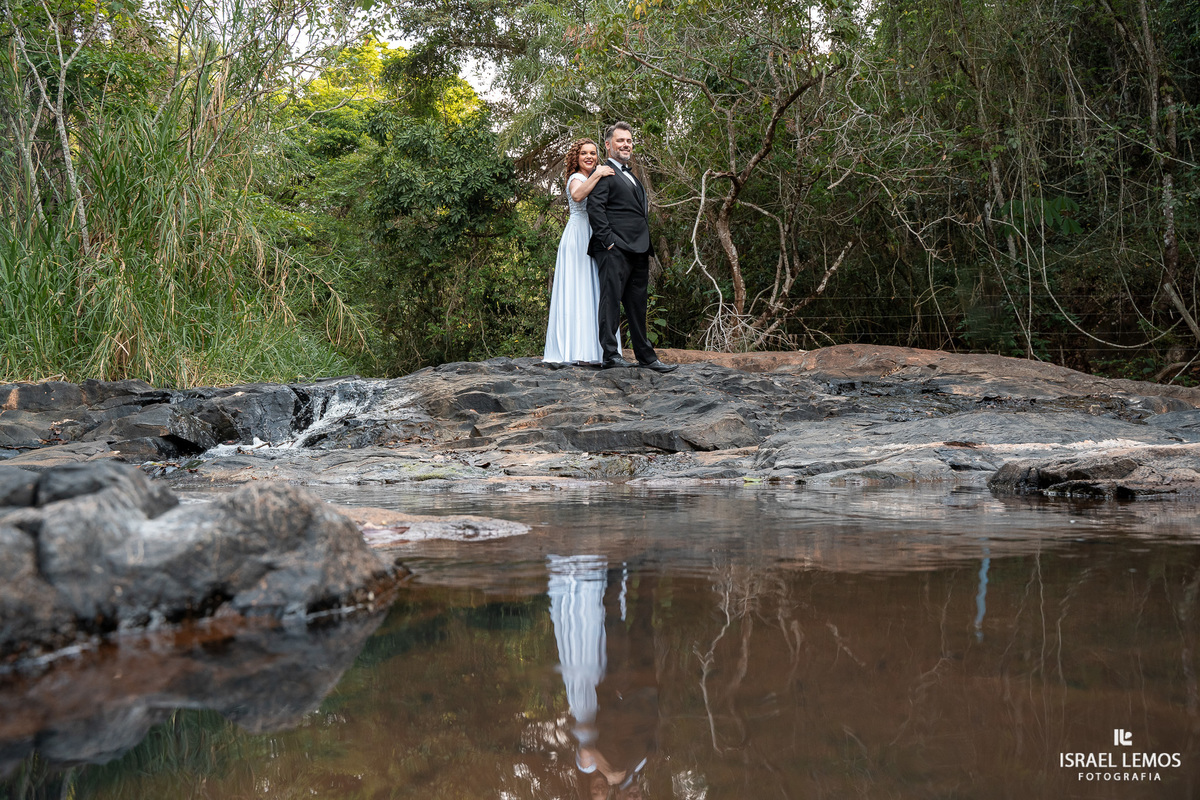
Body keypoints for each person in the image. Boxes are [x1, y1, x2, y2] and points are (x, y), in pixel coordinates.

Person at [586, 122, 679, 372]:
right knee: (610, 301)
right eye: (620, 141)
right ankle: (610, 356)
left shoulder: (632, 176)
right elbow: (595, 208)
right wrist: (608, 241)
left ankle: (646, 357)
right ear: (608, 145)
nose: (626, 144)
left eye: (628, 141)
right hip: (614, 249)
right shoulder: (603, 172)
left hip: (639, 250)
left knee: (638, 305)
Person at [543, 139, 615, 365]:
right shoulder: (578, 178)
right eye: (584, 153)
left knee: (592, 288)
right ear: (576, 157)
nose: (589, 157)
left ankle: (593, 348)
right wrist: (598, 173)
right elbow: (577, 196)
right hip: (577, 236)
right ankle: (574, 349)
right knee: (578, 287)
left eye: (593, 153)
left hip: (593, 233)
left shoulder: (595, 176)